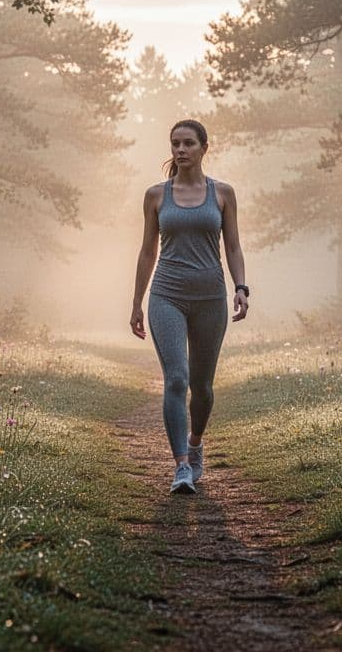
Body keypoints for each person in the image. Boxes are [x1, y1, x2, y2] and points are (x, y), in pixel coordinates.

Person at [130, 119, 249, 494]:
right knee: (177, 379)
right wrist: (136, 302)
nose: (180, 150)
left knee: (203, 387)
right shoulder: (155, 196)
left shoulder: (223, 193)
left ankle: (195, 443)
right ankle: (181, 466)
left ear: (204, 148)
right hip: (166, 295)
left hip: (210, 299)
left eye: (188, 143)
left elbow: (233, 246)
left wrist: (241, 287)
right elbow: (147, 251)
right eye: (175, 144)